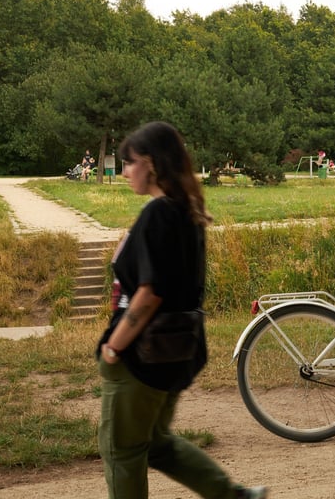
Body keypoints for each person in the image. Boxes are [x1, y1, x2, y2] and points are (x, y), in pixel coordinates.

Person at [95, 121, 267, 499]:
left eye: (130, 162)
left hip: (142, 353)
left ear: (152, 164)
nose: (124, 171)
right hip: (178, 348)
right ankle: (232, 496)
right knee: (155, 443)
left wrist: (114, 347)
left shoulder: (159, 214)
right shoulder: (187, 212)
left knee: (122, 450)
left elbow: (151, 292)